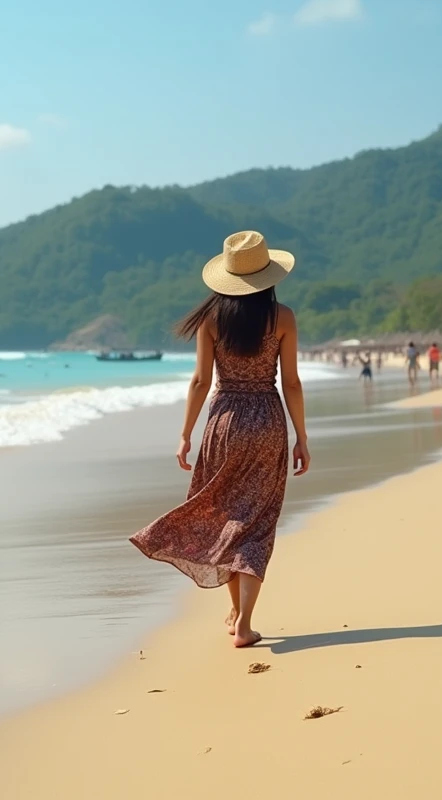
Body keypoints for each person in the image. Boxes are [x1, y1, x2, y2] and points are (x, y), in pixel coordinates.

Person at [129, 231, 310, 649]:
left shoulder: (211, 320)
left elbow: (200, 381)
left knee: (227, 515)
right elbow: (293, 384)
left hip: (224, 423)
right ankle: (244, 621)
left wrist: (185, 434)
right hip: (266, 421)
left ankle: (236, 616)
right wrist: (302, 436)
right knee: (257, 522)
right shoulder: (282, 317)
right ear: (269, 275)